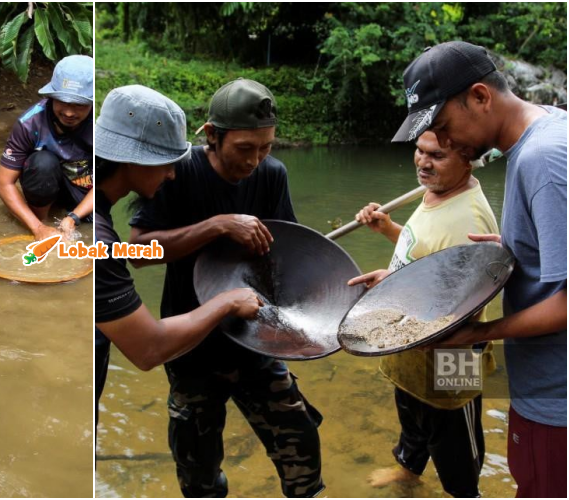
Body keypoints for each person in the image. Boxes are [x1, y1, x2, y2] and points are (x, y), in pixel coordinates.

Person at [128, 79, 324, 498]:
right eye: (245, 148)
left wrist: (308, 319)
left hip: (255, 340)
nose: (256, 160)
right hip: (191, 343)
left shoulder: (272, 175)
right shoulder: (177, 171)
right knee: (198, 471)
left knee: (301, 445)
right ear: (212, 135)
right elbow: (138, 251)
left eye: (266, 147)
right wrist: (218, 225)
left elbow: (284, 256)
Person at [392, 41, 567, 498]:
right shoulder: (544, 134)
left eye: (444, 132)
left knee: (457, 424)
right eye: (425, 147)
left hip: (549, 393)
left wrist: (479, 335)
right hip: (517, 376)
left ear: (480, 97)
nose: (438, 147)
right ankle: (411, 464)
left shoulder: (538, 161)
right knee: (422, 415)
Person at [94, 85, 263, 423]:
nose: (172, 173)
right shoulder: (100, 241)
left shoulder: (90, 211)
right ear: (132, 159)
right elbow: (148, 349)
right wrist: (228, 301)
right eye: (166, 162)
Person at [348, 130, 498, 497]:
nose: (422, 162)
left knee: (456, 446)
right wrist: (388, 230)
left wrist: (394, 291)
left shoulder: (470, 221)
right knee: (412, 414)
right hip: (410, 348)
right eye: (419, 151)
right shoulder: (439, 193)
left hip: (450, 358)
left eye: (437, 156)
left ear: (468, 159)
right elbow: (428, 257)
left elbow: (464, 312)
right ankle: (409, 470)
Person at [0, 55, 94, 241]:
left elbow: (107, 182)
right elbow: (3, 183)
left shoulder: (100, 125)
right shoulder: (30, 124)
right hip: (46, 183)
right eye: (62, 101)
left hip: (85, 188)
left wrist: (73, 217)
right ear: (51, 97)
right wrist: (38, 227)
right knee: (42, 163)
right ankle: (42, 220)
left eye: (79, 105)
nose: (69, 112)